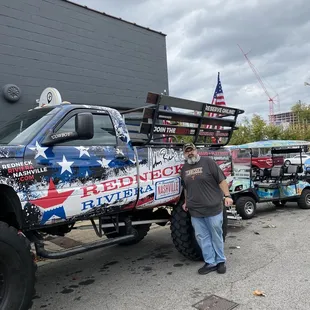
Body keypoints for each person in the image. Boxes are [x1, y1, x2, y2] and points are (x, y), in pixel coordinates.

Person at [180, 142, 233, 275]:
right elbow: (187, 188)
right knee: (202, 237)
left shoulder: (208, 162)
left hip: (213, 208)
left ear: (196, 150)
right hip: (195, 211)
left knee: (216, 235)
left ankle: (220, 261)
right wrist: (186, 202)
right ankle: (210, 262)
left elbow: (222, 180)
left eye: (191, 150)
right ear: (184, 154)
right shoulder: (184, 169)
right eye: (187, 151)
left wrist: (227, 196)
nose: (190, 153)